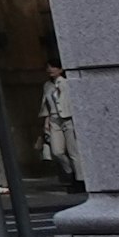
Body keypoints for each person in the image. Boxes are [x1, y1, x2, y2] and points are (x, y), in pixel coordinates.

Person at [36, 65, 84, 193]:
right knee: (57, 151)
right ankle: (71, 172)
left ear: (60, 70)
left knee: (73, 151)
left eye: (53, 67)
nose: (50, 70)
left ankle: (80, 179)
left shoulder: (66, 83)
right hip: (54, 119)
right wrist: (46, 121)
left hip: (68, 118)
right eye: (49, 67)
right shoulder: (47, 85)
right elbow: (45, 104)